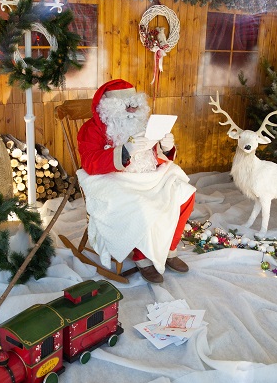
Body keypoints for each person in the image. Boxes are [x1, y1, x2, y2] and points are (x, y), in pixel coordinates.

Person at [76, 79, 196, 284]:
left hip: (148, 174)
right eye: (126, 105)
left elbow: (153, 154)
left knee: (185, 192)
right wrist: (124, 151)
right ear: (110, 106)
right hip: (114, 177)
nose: (132, 109)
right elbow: (89, 161)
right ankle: (142, 258)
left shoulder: (142, 122)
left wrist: (166, 148)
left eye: (135, 104)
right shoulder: (92, 128)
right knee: (143, 205)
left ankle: (169, 249)